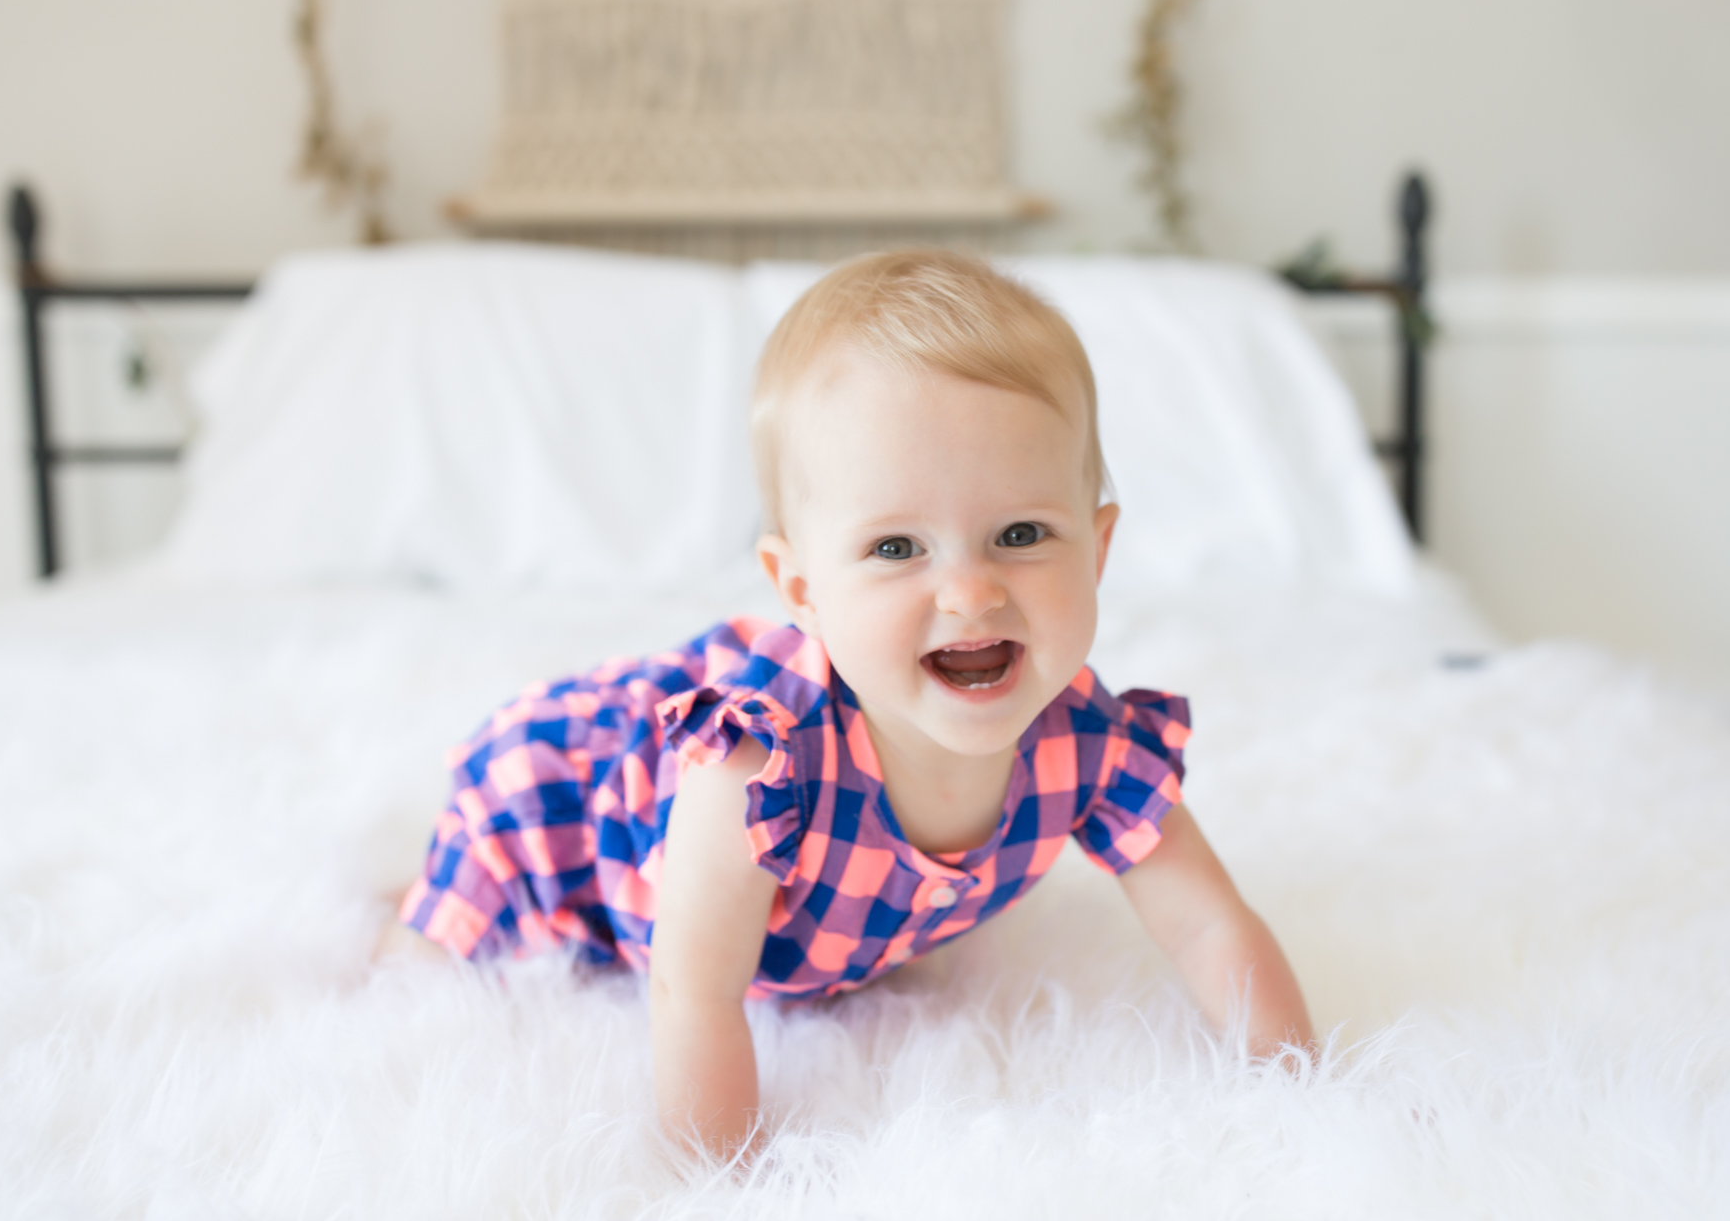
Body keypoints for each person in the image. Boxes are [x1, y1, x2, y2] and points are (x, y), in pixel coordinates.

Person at [389, 250, 1312, 1157]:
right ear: (800, 588)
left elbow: (1207, 923)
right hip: (567, 825)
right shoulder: (760, 764)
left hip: (806, 922)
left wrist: (1303, 1090)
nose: (970, 592)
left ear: (1099, 550)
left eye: (1021, 534)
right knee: (425, 981)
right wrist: (727, 1190)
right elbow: (693, 989)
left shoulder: (1094, 744)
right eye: (897, 547)